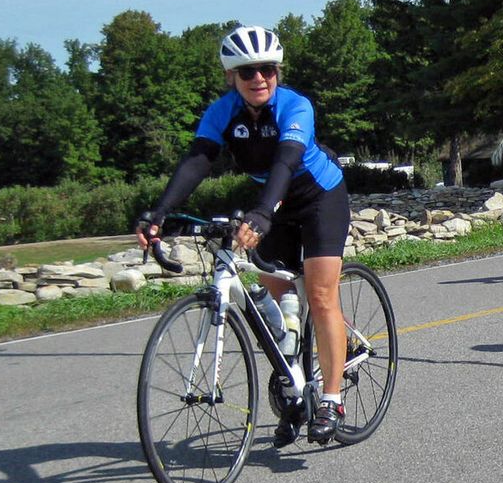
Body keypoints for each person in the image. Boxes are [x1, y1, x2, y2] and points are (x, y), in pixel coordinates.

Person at [134, 25, 351, 447]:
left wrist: (263, 213)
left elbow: (286, 161)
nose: (259, 78)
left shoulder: (296, 106)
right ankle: (294, 368)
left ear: (277, 72)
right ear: (231, 76)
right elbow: (198, 160)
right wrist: (159, 212)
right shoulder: (223, 112)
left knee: (321, 294)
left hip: (319, 197)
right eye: (247, 71)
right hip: (272, 203)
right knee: (276, 291)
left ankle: (331, 398)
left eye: (267, 69)